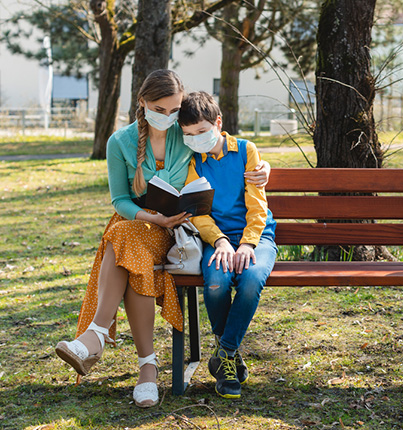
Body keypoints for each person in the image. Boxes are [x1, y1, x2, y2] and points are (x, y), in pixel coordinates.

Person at [55, 70, 270, 408]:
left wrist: (265, 168)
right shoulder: (119, 142)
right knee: (129, 241)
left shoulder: (182, 136)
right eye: (160, 109)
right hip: (138, 223)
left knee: (124, 243)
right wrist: (151, 216)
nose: (168, 117)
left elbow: (220, 146)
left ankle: (100, 338)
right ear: (142, 103)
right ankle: (145, 368)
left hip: (177, 232)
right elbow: (120, 201)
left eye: (174, 110)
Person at [178, 91, 277, 399]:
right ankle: (229, 357)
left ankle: (224, 353)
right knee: (217, 283)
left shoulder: (246, 150)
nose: (196, 139)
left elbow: (257, 206)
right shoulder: (192, 161)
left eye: (202, 131)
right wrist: (220, 241)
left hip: (256, 237)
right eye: (189, 135)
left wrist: (247, 244)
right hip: (216, 239)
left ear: (218, 123)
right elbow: (199, 213)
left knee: (250, 280)